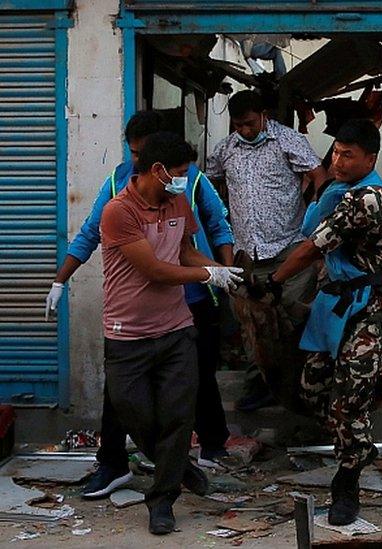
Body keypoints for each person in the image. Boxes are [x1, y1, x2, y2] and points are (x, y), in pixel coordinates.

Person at [44, 111, 235, 500]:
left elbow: (214, 229)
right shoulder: (118, 187)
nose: (136, 161)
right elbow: (91, 235)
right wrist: (60, 279)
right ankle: (124, 463)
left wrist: (225, 273)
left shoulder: (187, 184)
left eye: (141, 152)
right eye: (133, 153)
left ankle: (203, 452)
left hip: (189, 304)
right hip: (137, 314)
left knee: (191, 391)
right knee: (126, 402)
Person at [98, 132, 243, 534]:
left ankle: (162, 500)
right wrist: (207, 274)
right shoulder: (118, 211)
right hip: (127, 335)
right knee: (138, 416)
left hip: (177, 330)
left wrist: (219, 270)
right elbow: (156, 271)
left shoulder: (178, 200)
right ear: (157, 170)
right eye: (179, 174)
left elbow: (182, 253)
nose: (184, 180)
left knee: (179, 416)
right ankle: (178, 466)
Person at [264, 120, 382, 526]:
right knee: (312, 385)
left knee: (349, 395)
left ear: (371, 159)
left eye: (349, 155)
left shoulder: (369, 199)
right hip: (341, 297)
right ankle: (354, 432)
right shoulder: (340, 190)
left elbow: (310, 249)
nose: (338, 161)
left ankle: (348, 476)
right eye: (336, 153)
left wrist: (272, 282)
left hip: (373, 303)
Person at [207, 90, 328, 411]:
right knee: (253, 325)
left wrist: (316, 214)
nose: (244, 131)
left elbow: (319, 176)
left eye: (249, 123)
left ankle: (299, 387)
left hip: (289, 248)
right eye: (238, 125)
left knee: (293, 319)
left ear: (263, 115)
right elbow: (208, 183)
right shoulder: (226, 149)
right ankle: (259, 385)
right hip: (247, 252)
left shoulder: (288, 141)